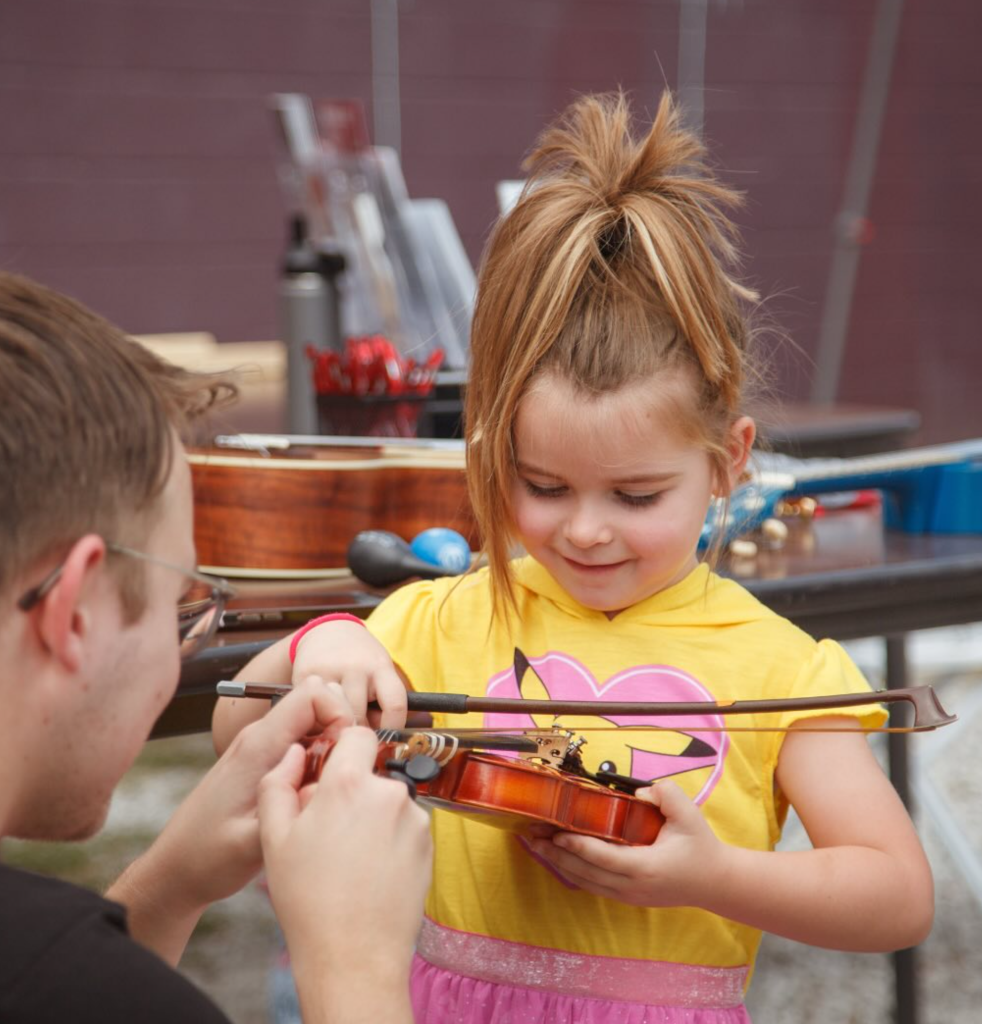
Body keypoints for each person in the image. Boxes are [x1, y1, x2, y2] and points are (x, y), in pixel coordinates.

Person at [214, 91, 934, 1023]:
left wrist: (714, 875)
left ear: (730, 462)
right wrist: (320, 646)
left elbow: (898, 896)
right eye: (542, 486)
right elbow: (240, 740)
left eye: (637, 497)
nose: (585, 530)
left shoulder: (779, 670)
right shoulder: (450, 613)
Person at [0, 272, 432, 1024]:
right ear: (71, 616)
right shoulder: (92, 989)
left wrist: (164, 887)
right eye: (184, 608)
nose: (185, 645)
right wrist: (352, 970)